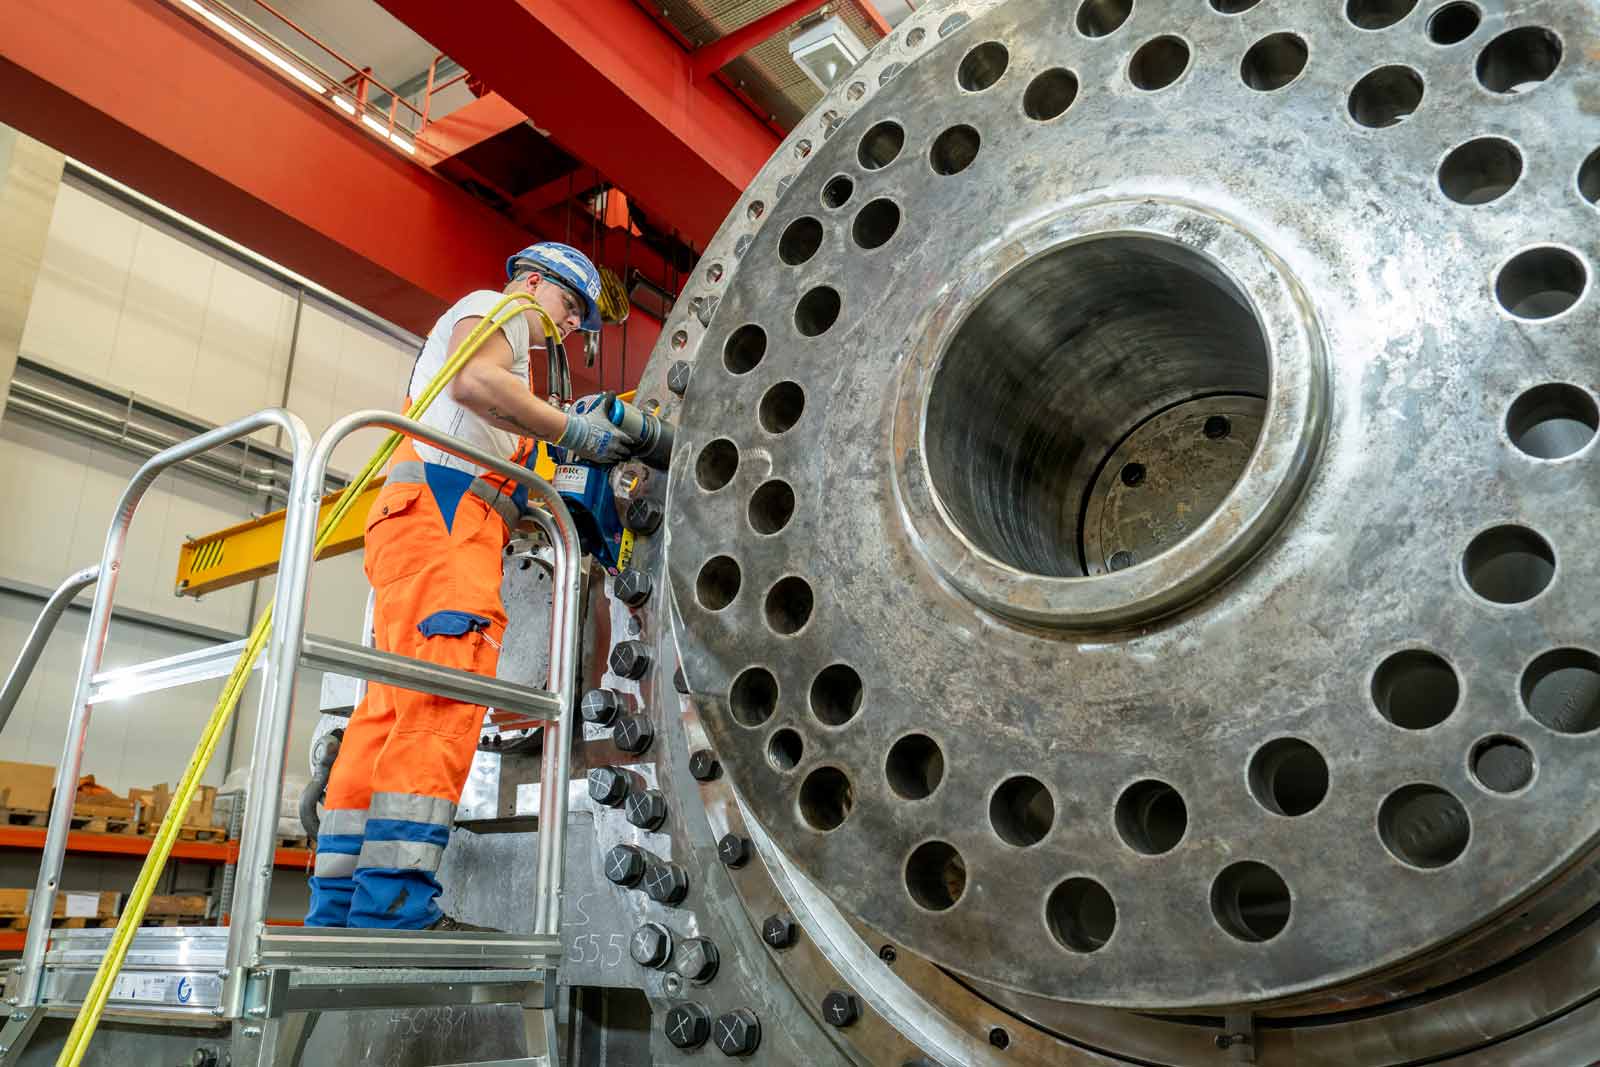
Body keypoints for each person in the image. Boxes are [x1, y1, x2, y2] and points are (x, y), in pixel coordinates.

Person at [306, 242, 634, 930]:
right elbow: (474, 385)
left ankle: (339, 903)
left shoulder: (511, 379)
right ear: (535, 281)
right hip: (446, 519)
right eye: (569, 306)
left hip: (421, 523)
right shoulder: (502, 308)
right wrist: (574, 427)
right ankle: (394, 900)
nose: (568, 326)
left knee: (387, 711)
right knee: (444, 697)